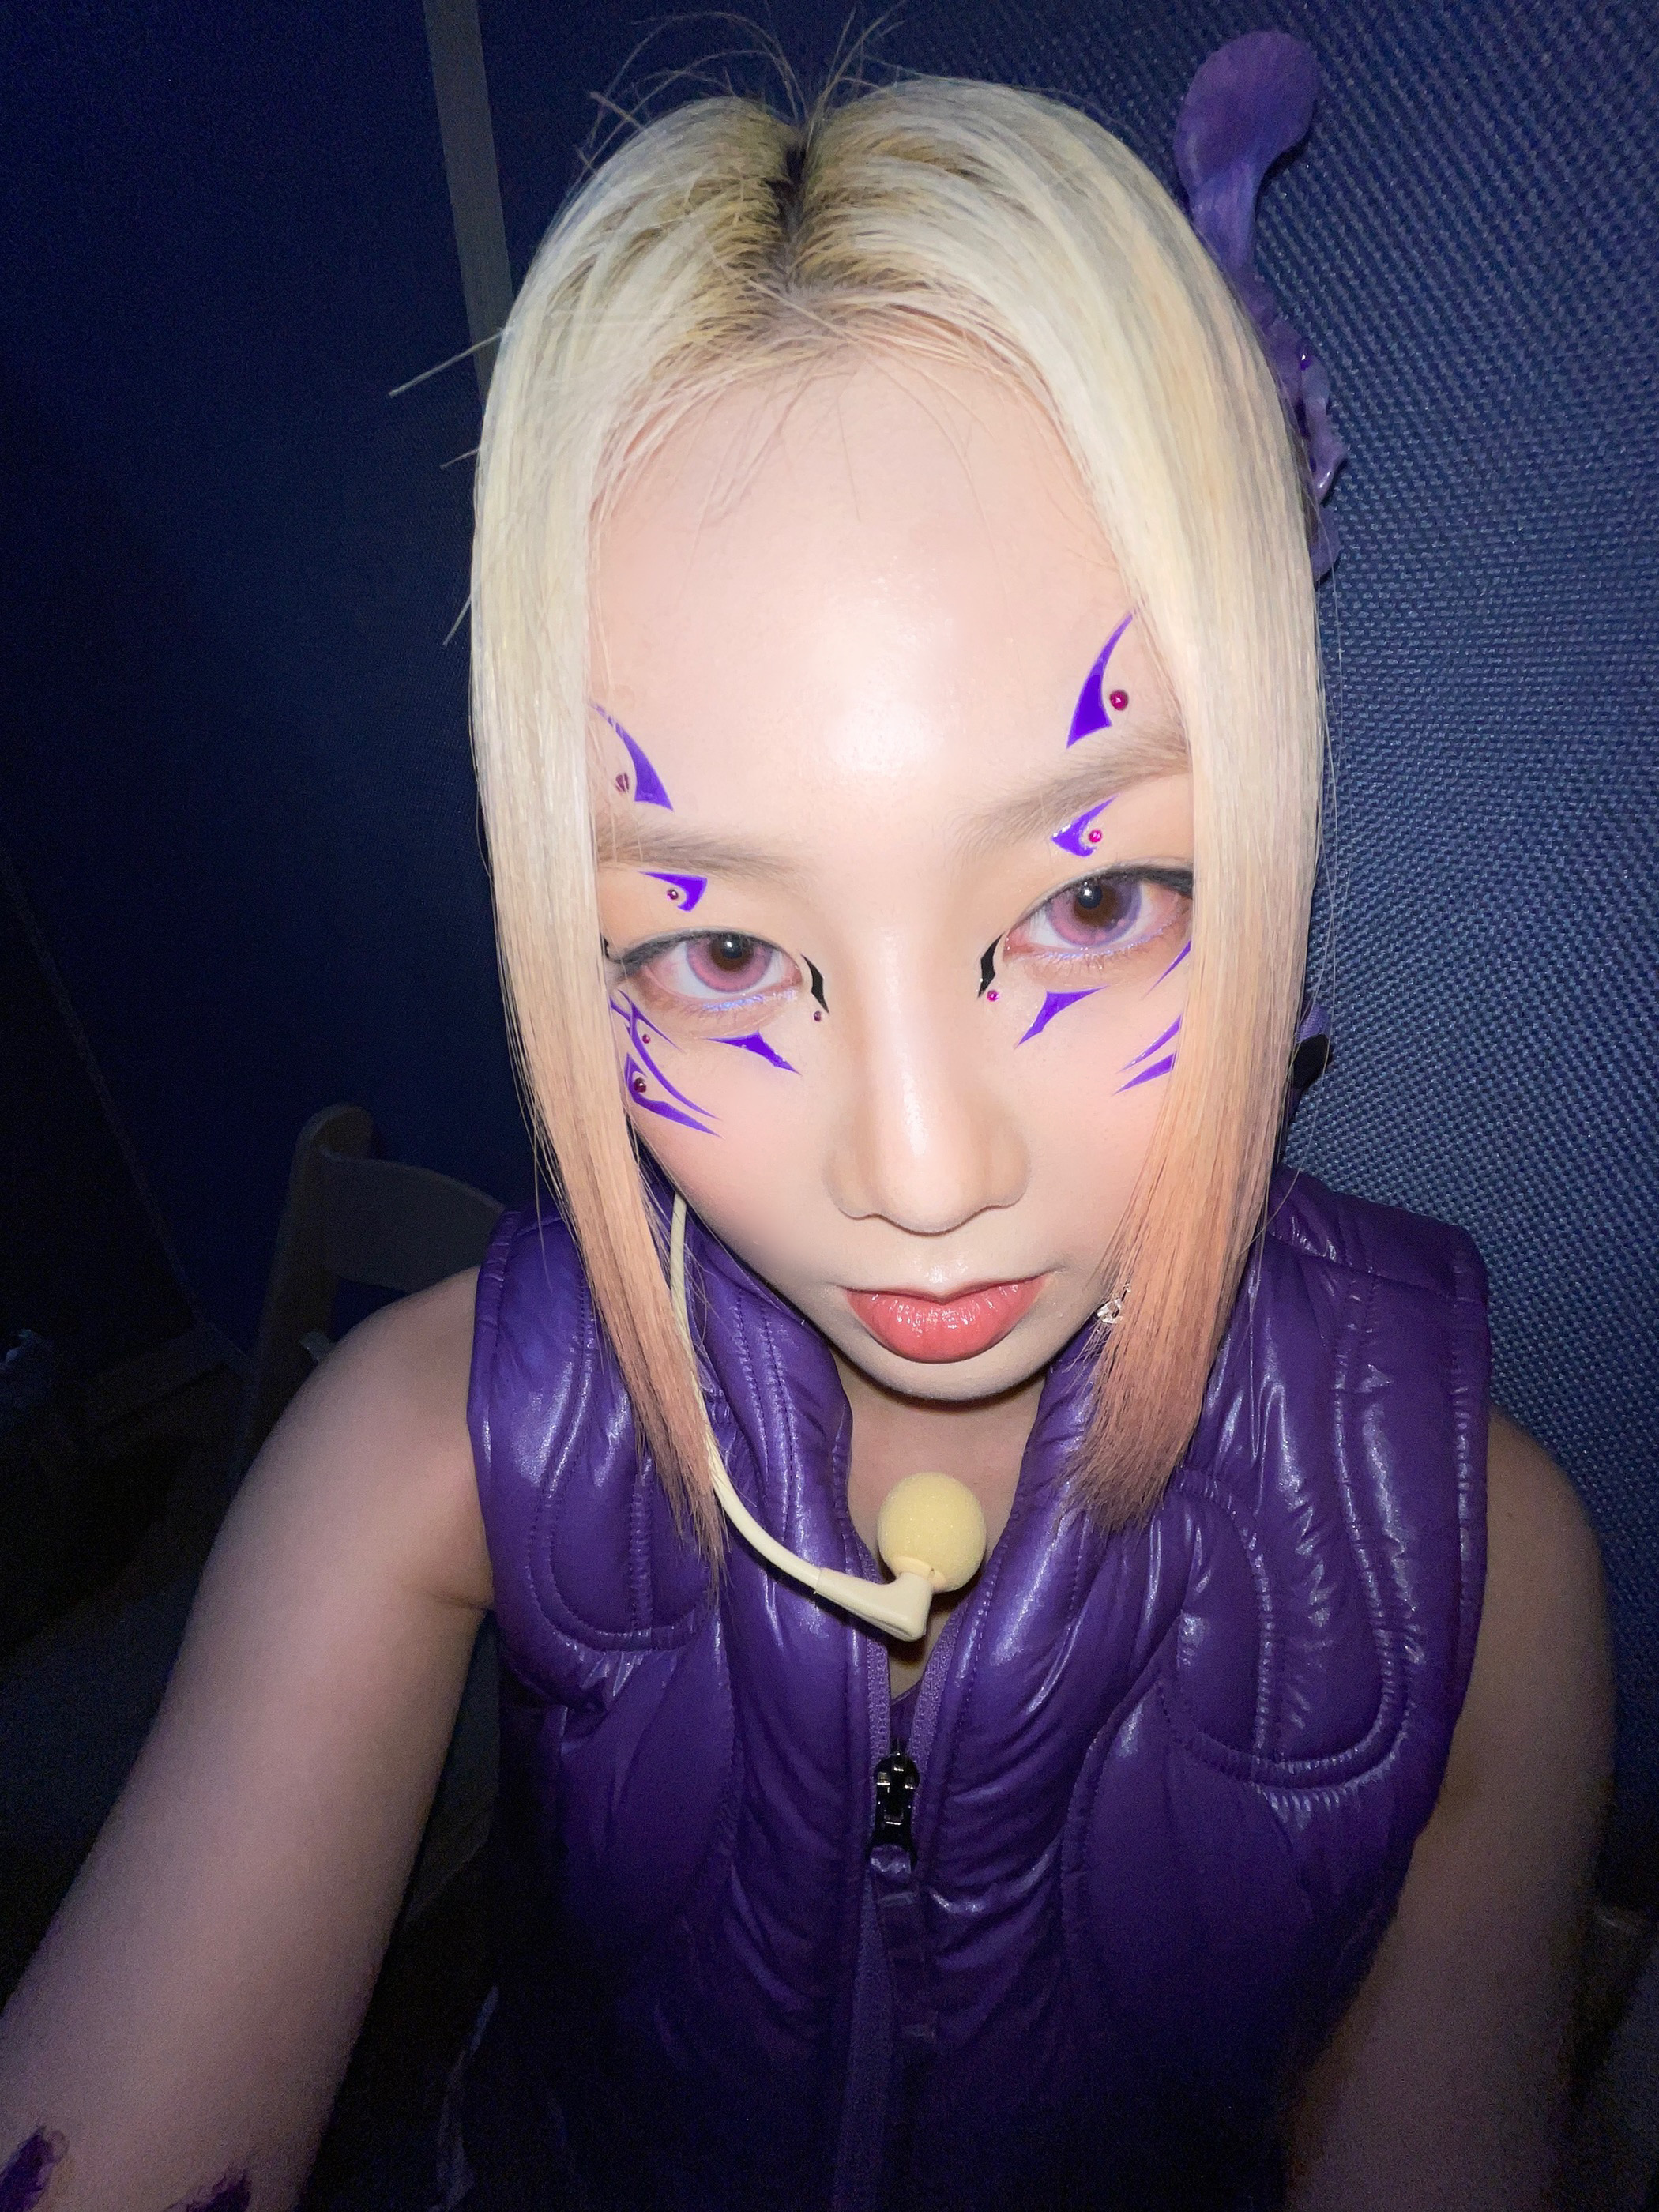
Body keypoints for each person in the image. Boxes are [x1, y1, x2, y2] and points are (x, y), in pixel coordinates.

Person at [0, 34, 1612, 2212]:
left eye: (1095, 902)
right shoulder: (421, 1450)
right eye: (723, 949)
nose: (923, 1180)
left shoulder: (1475, 1577)